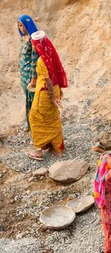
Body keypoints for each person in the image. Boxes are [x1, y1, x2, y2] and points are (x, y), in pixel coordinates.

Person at [27, 31, 67, 161]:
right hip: (55, 89)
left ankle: (38, 150)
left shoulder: (41, 60)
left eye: (33, 44)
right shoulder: (51, 54)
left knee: (35, 117)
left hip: (45, 93)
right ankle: (58, 149)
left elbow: (47, 80)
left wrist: (52, 97)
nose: (33, 46)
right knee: (53, 118)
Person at [18, 15, 39, 130]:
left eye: (22, 25)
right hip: (23, 74)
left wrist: (33, 78)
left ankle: (36, 125)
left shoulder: (33, 40)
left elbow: (34, 60)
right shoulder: (23, 38)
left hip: (31, 74)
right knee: (27, 98)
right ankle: (30, 124)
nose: (21, 28)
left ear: (28, 24)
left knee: (33, 98)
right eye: (19, 25)